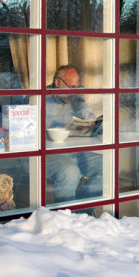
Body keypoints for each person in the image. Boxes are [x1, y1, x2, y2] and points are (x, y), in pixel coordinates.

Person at [45, 65, 103, 203]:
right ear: (57, 82)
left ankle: (82, 211)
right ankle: (66, 216)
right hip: (46, 155)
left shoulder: (76, 100)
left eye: (77, 87)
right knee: (70, 171)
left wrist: (93, 123)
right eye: (71, 87)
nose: (74, 91)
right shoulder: (39, 98)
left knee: (109, 166)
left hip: (73, 152)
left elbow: (89, 118)